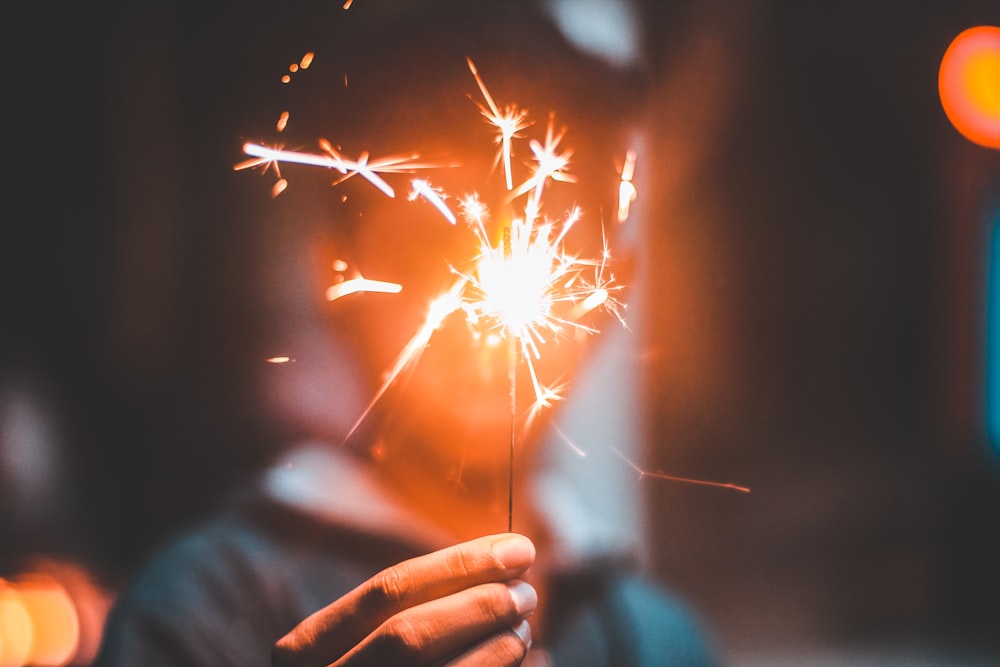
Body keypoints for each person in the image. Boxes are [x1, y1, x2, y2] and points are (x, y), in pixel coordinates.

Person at [93, 1, 719, 665]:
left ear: (608, 289)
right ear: (337, 280)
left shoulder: (663, 641)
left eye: (543, 242)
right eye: (427, 251)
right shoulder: (201, 611)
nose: (473, 302)